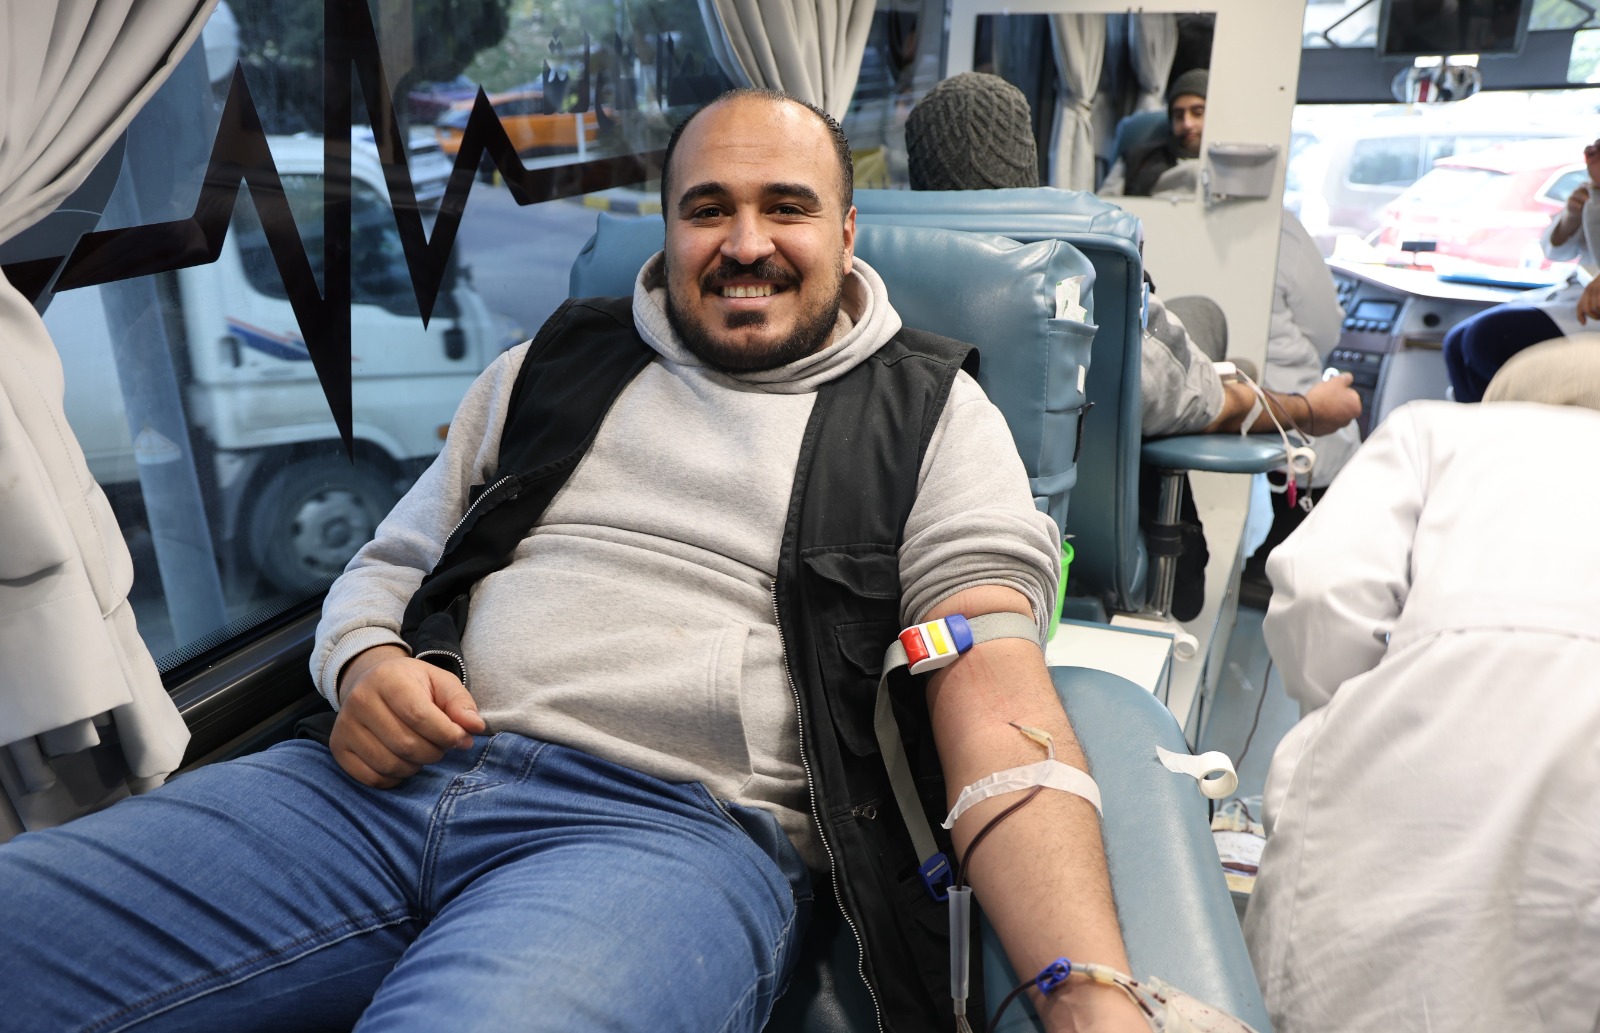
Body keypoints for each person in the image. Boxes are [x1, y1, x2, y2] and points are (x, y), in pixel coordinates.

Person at [0, 89, 1151, 1033]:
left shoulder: (931, 415)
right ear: (668, 229)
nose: (745, 243)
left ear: (846, 233)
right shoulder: (548, 364)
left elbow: (992, 685)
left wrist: (1090, 996)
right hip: (374, 790)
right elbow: (392, 561)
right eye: (708, 208)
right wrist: (362, 666)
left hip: (666, 837)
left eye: (786, 207)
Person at [905, 72, 1361, 619]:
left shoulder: (874, 251)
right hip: (1078, 544)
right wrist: (1309, 409)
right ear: (1023, 155)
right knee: (1207, 328)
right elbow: (1201, 404)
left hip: (921, 530)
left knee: (1200, 343)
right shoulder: (1077, 256)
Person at [1244, 336, 1600, 1031]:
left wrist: (1360, 709)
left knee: (1365, 987)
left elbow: (1323, 593)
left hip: (1427, 762)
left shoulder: (1438, 431)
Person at [1239, 209, 1362, 601]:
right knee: (1334, 438)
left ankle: (1269, 564)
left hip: (1240, 389)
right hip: (1283, 396)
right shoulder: (1276, 225)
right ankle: (1282, 567)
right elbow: (1325, 328)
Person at [1443, 137, 1600, 403]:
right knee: (1456, 342)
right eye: (1592, 147)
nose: (1590, 153)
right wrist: (1572, 215)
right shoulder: (1590, 192)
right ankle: (1477, 424)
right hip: (1575, 294)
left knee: (1486, 340)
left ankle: (1504, 421)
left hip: (1590, 314)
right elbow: (1556, 251)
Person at [1100, 68, 1208, 198]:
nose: (1187, 124)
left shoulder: (1226, 165)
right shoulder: (1136, 160)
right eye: (1179, 116)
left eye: (1197, 113)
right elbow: (1103, 205)